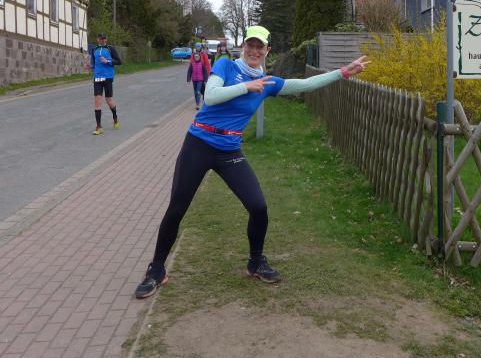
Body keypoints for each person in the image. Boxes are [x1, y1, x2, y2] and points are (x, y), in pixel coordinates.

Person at [134, 25, 369, 298]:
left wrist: (342, 72)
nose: (254, 51)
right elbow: (211, 96)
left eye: (260, 47)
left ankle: (256, 262)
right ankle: (156, 269)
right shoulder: (225, 66)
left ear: (267, 50)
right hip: (198, 144)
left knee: (258, 207)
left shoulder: (268, 83)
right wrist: (246, 86)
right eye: (251, 45)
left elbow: (305, 85)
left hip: (229, 150)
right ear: (243, 46)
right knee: (177, 208)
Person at [86, 32, 122, 135]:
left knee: (109, 101)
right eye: (101, 38)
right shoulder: (94, 50)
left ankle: (115, 117)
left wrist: (108, 61)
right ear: (97, 39)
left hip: (108, 77)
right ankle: (99, 127)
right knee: (97, 101)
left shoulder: (110, 49)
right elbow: (94, 64)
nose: (103, 40)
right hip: (97, 78)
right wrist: (90, 67)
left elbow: (119, 61)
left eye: (104, 38)